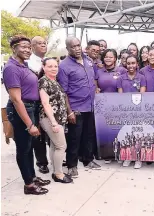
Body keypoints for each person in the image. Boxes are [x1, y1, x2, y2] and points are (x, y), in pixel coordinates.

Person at [4, 35, 50, 195]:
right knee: (23, 149)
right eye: (23, 46)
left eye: (29, 47)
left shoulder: (23, 65)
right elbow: (16, 99)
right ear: (14, 48)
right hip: (22, 109)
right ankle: (29, 184)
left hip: (31, 107)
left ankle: (32, 176)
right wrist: (29, 124)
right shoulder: (11, 68)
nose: (27, 50)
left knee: (29, 147)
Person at [58, 37, 101, 178]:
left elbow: (94, 78)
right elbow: (63, 91)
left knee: (88, 135)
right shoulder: (64, 66)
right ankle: (71, 165)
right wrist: (69, 111)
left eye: (78, 45)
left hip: (90, 106)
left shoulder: (88, 60)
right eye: (73, 47)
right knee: (74, 138)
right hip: (76, 108)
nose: (76, 49)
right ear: (67, 49)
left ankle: (88, 160)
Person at [38, 58, 73, 184]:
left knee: (54, 145)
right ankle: (59, 174)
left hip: (58, 118)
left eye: (55, 66)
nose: (53, 69)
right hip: (50, 119)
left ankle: (55, 171)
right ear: (43, 67)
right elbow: (45, 103)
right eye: (50, 66)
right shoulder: (44, 81)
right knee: (61, 146)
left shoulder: (54, 81)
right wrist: (53, 122)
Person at [117, 54, 146, 168]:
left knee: (138, 134)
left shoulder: (142, 78)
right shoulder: (121, 78)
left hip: (138, 111)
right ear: (125, 64)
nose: (131, 66)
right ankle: (128, 156)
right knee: (127, 134)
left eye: (133, 63)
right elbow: (120, 96)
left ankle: (138, 158)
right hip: (126, 111)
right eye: (128, 63)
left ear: (137, 64)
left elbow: (142, 95)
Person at [26, 36, 50, 174]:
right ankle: (42, 162)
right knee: (38, 133)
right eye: (39, 43)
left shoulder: (49, 61)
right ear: (32, 47)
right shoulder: (28, 63)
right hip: (35, 102)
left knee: (52, 129)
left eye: (44, 43)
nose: (43, 45)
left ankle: (55, 157)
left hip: (49, 102)